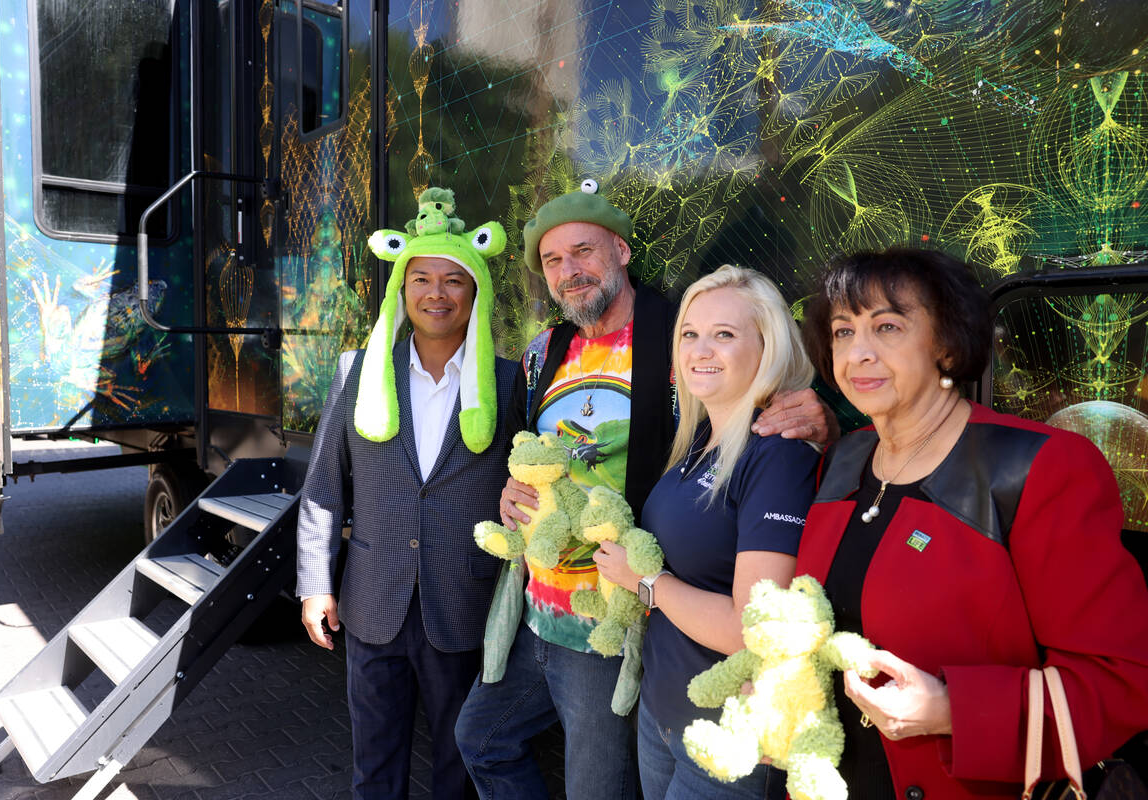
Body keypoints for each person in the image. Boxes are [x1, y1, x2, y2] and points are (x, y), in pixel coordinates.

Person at [454, 183, 835, 800]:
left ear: (623, 250)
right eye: (553, 261)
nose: (569, 271)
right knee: (482, 740)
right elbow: (536, 454)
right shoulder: (543, 352)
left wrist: (819, 417)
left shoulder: (675, 339)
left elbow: (756, 407)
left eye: (584, 251)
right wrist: (512, 496)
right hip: (537, 607)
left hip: (615, 619)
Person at [797, 247, 1148, 799]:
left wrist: (950, 709)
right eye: (843, 331)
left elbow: (1120, 684)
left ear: (944, 342)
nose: (857, 353)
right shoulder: (841, 461)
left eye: (887, 327)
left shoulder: (1040, 468)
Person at [296, 188, 517, 799]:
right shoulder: (357, 371)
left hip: (462, 602)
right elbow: (323, 488)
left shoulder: (505, 381)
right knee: (375, 765)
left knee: (459, 765)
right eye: (421, 278)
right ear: (401, 287)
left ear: (475, 294)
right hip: (373, 602)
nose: (436, 293)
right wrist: (316, 583)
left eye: (454, 280)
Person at [594, 265, 820, 800]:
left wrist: (646, 581)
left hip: (729, 740)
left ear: (768, 348)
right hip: (662, 718)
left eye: (725, 335)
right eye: (690, 334)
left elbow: (753, 629)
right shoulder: (698, 442)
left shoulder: (777, 456)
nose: (700, 349)